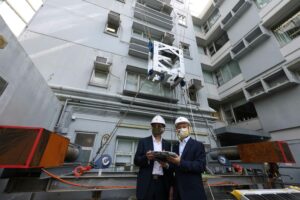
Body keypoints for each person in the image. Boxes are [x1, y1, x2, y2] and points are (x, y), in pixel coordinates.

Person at [167, 116, 207, 200]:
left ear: (189, 128)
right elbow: (174, 167)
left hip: (193, 191)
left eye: (184, 127)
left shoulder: (198, 145)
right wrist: (166, 165)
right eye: (179, 127)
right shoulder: (175, 146)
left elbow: (201, 166)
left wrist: (180, 162)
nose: (181, 129)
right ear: (176, 130)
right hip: (177, 191)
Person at [134, 115, 172, 200]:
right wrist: (146, 157)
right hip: (147, 181)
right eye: (154, 126)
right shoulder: (143, 142)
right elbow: (136, 161)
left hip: (162, 182)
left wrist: (165, 164)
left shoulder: (167, 144)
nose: (157, 127)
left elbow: (170, 164)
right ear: (151, 127)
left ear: (163, 128)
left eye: (159, 126)